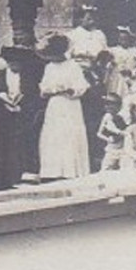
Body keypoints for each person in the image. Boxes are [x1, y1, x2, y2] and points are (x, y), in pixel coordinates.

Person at [36, 33, 91, 180]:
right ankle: (52, 171)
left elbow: (82, 86)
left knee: (69, 133)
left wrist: (70, 90)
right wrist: (50, 91)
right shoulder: (49, 67)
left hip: (69, 104)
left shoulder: (73, 66)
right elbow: (44, 87)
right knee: (54, 134)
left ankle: (70, 170)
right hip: (55, 105)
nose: (52, 58)